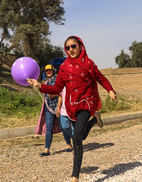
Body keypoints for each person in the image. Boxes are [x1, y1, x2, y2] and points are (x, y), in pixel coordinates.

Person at [28, 36, 116, 182]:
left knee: (76, 138)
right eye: (67, 48)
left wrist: (110, 90)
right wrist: (39, 85)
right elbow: (57, 88)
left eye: (73, 46)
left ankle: (75, 176)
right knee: (80, 137)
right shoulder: (64, 67)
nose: (70, 50)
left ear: (80, 46)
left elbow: (101, 78)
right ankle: (95, 120)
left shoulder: (89, 64)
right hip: (72, 106)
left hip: (87, 102)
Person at [35, 64, 72, 157]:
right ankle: (46, 149)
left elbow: (61, 92)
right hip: (48, 108)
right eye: (46, 71)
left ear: (53, 71)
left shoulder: (57, 80)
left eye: (50, 70)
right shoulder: (46, 81)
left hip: (58, 107)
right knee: (48, 129)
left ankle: (69, 145)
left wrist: (58, 105)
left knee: (63, 127)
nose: (48, 72)